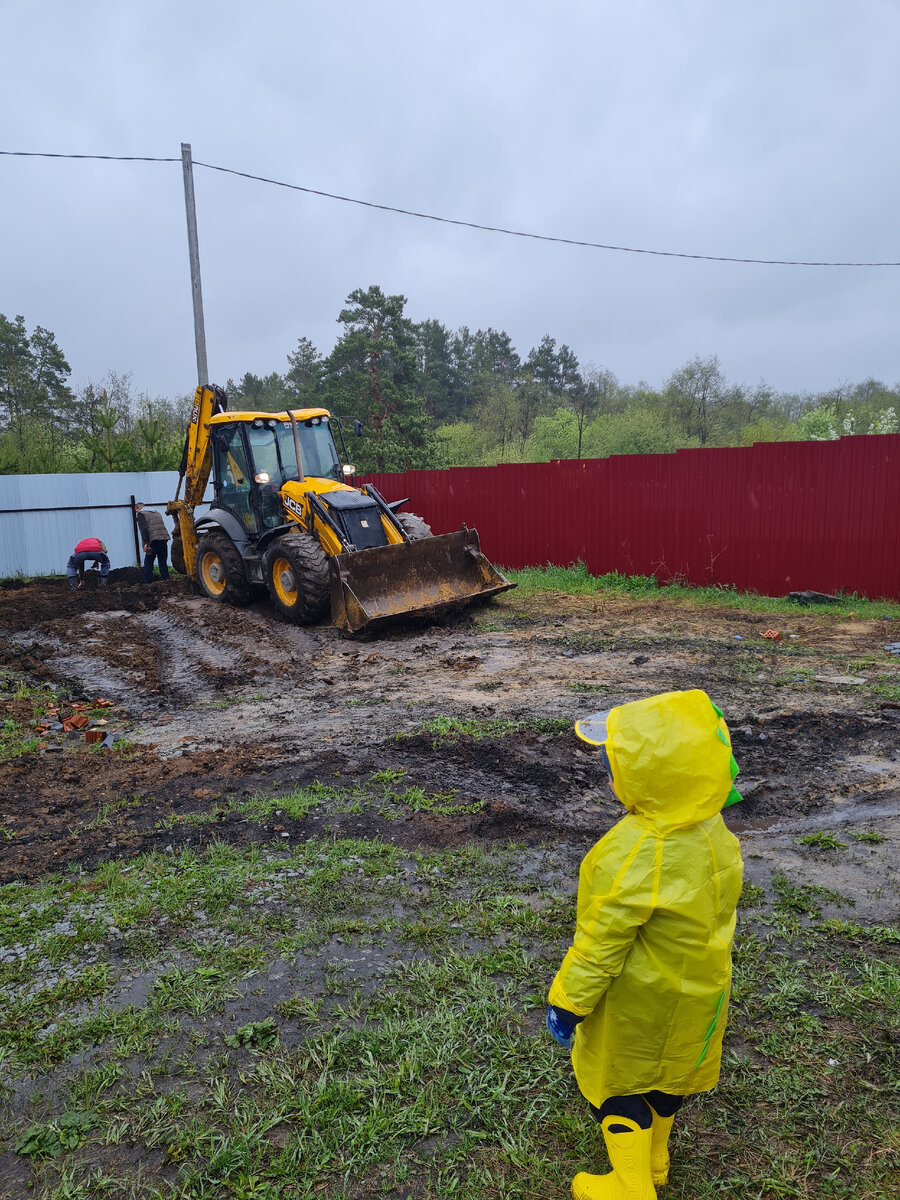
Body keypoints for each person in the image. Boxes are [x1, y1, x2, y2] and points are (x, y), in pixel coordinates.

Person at [546, 689, 744, 1200]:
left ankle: (630, 1187)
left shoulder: (632, 852)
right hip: (698, 988)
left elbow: (600, 942)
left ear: (649, 776)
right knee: (668, 1076)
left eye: (616, 765)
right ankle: (655, 1162)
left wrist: (568, 1002)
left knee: (618, 1085)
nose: (610, 777)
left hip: (639, 1000)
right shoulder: (714, 830)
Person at [135, 502, 171, 584]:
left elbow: (143, 530)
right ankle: (166, 580)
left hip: (154, 540)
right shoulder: (156, 512)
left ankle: (148, 583)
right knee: (162, 561)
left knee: (148, 561)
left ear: (138, 508)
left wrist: (146, 543)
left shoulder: (141, 514)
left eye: (136, 511)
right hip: (164, 538)